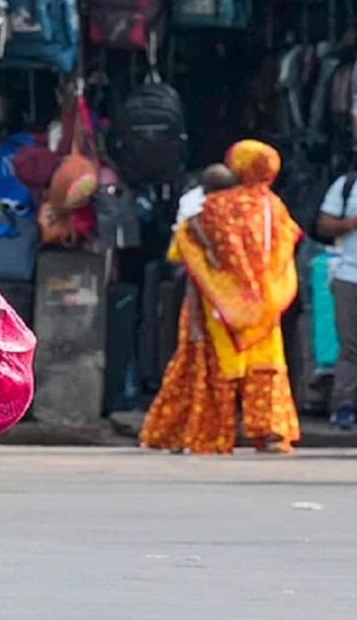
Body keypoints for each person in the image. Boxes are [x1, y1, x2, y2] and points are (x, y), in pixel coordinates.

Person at [141, 141, 302, 454]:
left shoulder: (216, 206)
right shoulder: (276, 207)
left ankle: (207, 434)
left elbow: (183, 248)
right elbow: (284, 253)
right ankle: (270, 433)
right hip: (265, 307)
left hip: (218, 305)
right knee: (266, 370)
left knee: (211, 368)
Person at [314, 169, 357, 430]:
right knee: (350, 345)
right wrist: (351, 223)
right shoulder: (346, 184)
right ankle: (344, 405)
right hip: (349, 275)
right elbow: (324, 224)